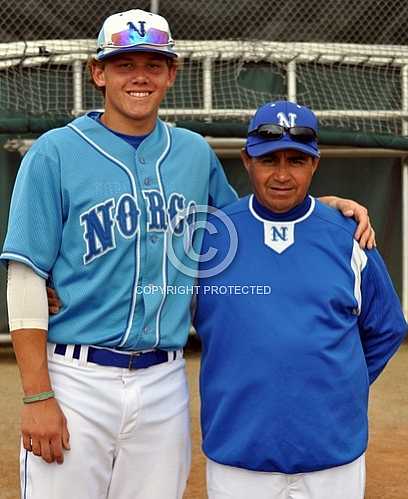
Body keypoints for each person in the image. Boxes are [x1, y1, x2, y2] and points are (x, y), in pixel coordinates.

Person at [1, 8, 374, 499]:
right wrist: (37, 394)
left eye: (153, 64)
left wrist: (314, 208)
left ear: (171, 73)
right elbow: (26, 276)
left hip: (164, 381)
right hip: (75, 376)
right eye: (124, 63)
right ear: (98, 72)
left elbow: (246, 225)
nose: (140, 75)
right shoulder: (53, 153)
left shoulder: (193, 154)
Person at [194, 100, 408, 499]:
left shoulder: (349, 237)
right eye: (269, 159)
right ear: (246, 160)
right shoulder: (211, 238)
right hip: (239, 454)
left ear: (314, 164)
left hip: (332, 455)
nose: (281, 174)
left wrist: (339, 384)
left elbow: (387, 327)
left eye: (296, 160)